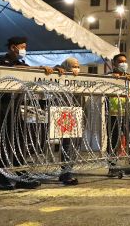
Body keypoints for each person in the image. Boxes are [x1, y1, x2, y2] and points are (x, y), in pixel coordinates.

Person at [0, 36, 56, 190]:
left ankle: (20, 175)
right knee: (1, 141)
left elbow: (29, 72)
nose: (24, 50)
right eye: (22, 47)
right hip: (0, 107)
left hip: (15, 107)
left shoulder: (22, 64)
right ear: (13, 47)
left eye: (25, 47)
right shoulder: (1, 61)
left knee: (18, 141)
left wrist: (51, 70)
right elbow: (14, 70)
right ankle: (0, 176)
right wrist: (38, 67)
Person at [105, 53, 130, 169]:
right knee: (113, 140)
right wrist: (112, 76)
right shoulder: (108, 77)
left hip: (127, 113)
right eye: (120, 62)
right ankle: (112, 165)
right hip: (113, 114)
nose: (123, 64)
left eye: (125, 61)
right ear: (114, 64)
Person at [55, 57, 80, 185]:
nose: (77, 69)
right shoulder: (59, 74)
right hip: (64, 113)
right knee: (68, 144)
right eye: (74, 66)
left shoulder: (77, 79)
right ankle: (66, 174)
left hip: (75, 112)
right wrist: (57, 69)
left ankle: (66, 172)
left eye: (78, 66)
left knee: (73, 144)